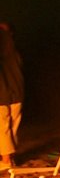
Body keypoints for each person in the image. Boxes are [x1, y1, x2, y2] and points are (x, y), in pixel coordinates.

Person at [0, 23, 23, 169]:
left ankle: (6, 161)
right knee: (12, 127)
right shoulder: (15, 53)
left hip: (2, 96)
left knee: (2, 129)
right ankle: (11, 158)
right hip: (17, 94)